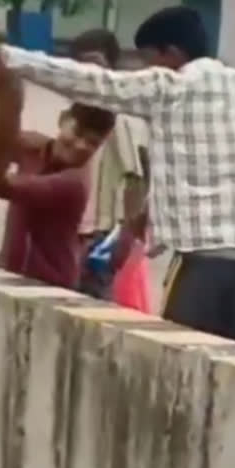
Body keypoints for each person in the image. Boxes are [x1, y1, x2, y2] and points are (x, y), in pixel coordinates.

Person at [0, 6, 235, 353]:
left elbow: (93, 83)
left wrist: (4, 55)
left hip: (205, 264)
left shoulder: (168, 87)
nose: (144, 70)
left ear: (171, 54)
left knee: (182, 364)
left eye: (147, 59)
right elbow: (197, 164)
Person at [0, 104, 115, 288]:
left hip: (51, 286)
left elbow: (14, 187)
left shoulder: (75, 182)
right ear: (62, 119)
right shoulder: (33, 147)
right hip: (10, 274)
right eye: (78, 132)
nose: (80, 145)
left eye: (92, 143)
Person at [67, 28, 148, 300]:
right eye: (80, 65)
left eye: (95, 65)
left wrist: (127, 235)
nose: (87, 74)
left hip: (99, 235)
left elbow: (135, 178)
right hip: (71, 230)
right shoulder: (71, 114)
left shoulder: (116, 118)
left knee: (96, 306)